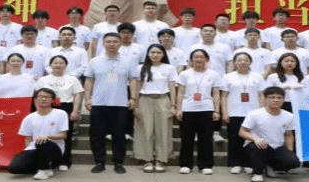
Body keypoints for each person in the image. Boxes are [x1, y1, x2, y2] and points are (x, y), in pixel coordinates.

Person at [83, 33, 135, 174]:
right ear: (103, 44)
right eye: (108, 42)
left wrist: (133, 98)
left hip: (120, 104)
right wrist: (87, 98)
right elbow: (89, 80)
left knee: (119, 135)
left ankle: (118, 162)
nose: (111, 44)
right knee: (97, 135)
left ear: (120, 43)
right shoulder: (94, 61)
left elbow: (133, 80)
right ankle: (99, 162)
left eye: (115, 41)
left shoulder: (128, 61)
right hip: (99, 103)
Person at [130, 44, 177, 173]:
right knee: (145, 130)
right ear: (148, 54)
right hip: (145, 100)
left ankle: (161, 159)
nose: (155, 55)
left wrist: (173, 105)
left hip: (163, 99)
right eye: (152, 52)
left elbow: (172, 87)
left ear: (163, 55)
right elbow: (137, 87)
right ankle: (147, 160)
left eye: (158, 52)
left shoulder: (169, 68)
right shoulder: (140, 68)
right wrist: (136, 105)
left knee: (163, 130)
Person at [240, 86, 301, 182]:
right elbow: (242, 131)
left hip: (277, 147)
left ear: (283, 99)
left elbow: (289, 135)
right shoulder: (254, 114)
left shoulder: (289, 116)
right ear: (265, 99)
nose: (276, 100)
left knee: (293, 162)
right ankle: (257, 173)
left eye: (279, 98)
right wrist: (255, 138)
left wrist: (289, 152)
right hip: (257, 145)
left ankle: (269, 166)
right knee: (261, 146)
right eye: (272, 97)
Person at [174, 49, 221, 174]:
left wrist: (217, 111)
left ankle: (205, 165)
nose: (199, 59)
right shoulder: (184, 74)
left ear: (207, 60)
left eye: (202, 57)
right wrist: (178, 109)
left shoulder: (214, 74)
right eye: (196, 57)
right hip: (188, 109)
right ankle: (186, 164)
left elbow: (216, 94)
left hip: (206, 108)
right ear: (191, 60)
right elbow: (180, 93)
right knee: (187, 138)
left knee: (206, 138)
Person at [7, 88, 68, 180]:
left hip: (54, 149)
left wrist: (47, 136)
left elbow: (63, 135)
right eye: (41, 97)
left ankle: (43, 170)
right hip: (35, 148)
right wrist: (28, 152)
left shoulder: (61, 114)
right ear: (35, 100)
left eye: (47, 97)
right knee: (14, 168)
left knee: (41, 141)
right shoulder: (29, 118)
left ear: (52, 100)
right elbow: (28, 139)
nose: (44, 99)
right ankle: (44, 166)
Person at [36, 55, 84, 171]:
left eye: (61, 63)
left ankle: (64, 161)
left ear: (66, 65)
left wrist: (75, 111)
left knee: (65, 135)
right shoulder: (43, 80)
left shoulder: (72, 79)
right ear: (50, 65)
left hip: (66, 107)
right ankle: (49, 161)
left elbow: (77, 95)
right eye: (55, 63)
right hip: (48, 107)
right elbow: (37, 96)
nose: (58, 65)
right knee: (47, 133)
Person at [220, 52, 264, 175]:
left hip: (253, 113)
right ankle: (235, 163)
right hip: (234, 112)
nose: (243, 62)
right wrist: (225, 112)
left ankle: (248, 163)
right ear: (234, 63)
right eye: (239, 60)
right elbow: (223, 96)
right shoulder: (228, 77)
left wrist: (262, 111)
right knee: (234, 139)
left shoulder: (257, 77)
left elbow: (261, 95)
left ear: (250, 62)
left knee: (250, 140)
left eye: (246, 60)